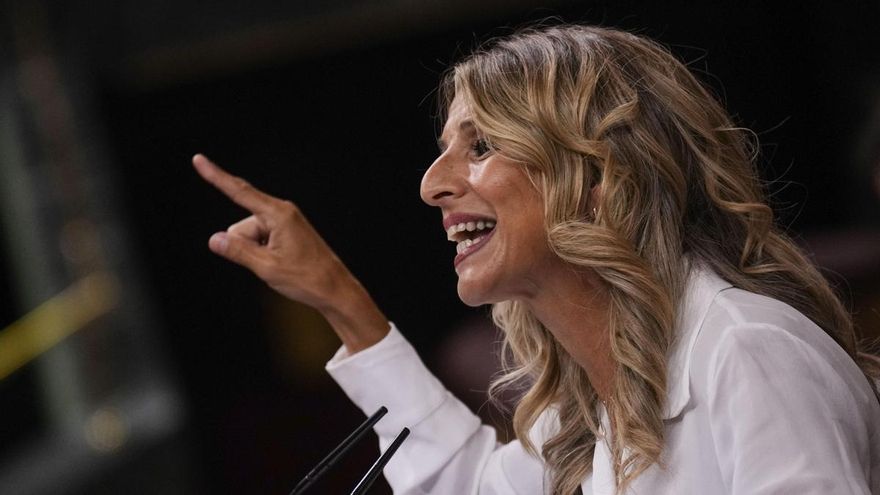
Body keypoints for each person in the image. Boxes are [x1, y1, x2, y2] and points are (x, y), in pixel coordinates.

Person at [193, 25, 880, 494]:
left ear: (595, 177)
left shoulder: (749, 353)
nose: (431, 183)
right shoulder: (589, 408)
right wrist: (340, 300)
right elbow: (469, 486)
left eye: (481, 144)